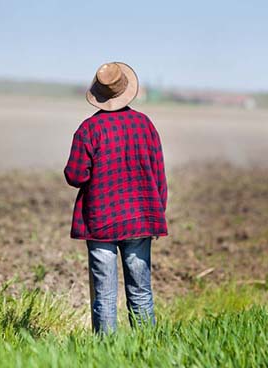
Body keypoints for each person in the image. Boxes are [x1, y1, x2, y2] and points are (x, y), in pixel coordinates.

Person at [64, 62, 168, 334]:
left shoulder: (89, 129)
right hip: (140, 220)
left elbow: (75, 176)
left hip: (101, 221)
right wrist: (158, 215)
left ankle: (105, 353)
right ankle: (147, 348)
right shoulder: (145, 125)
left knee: (105, 295)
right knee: (141, 292)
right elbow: (159, 175)